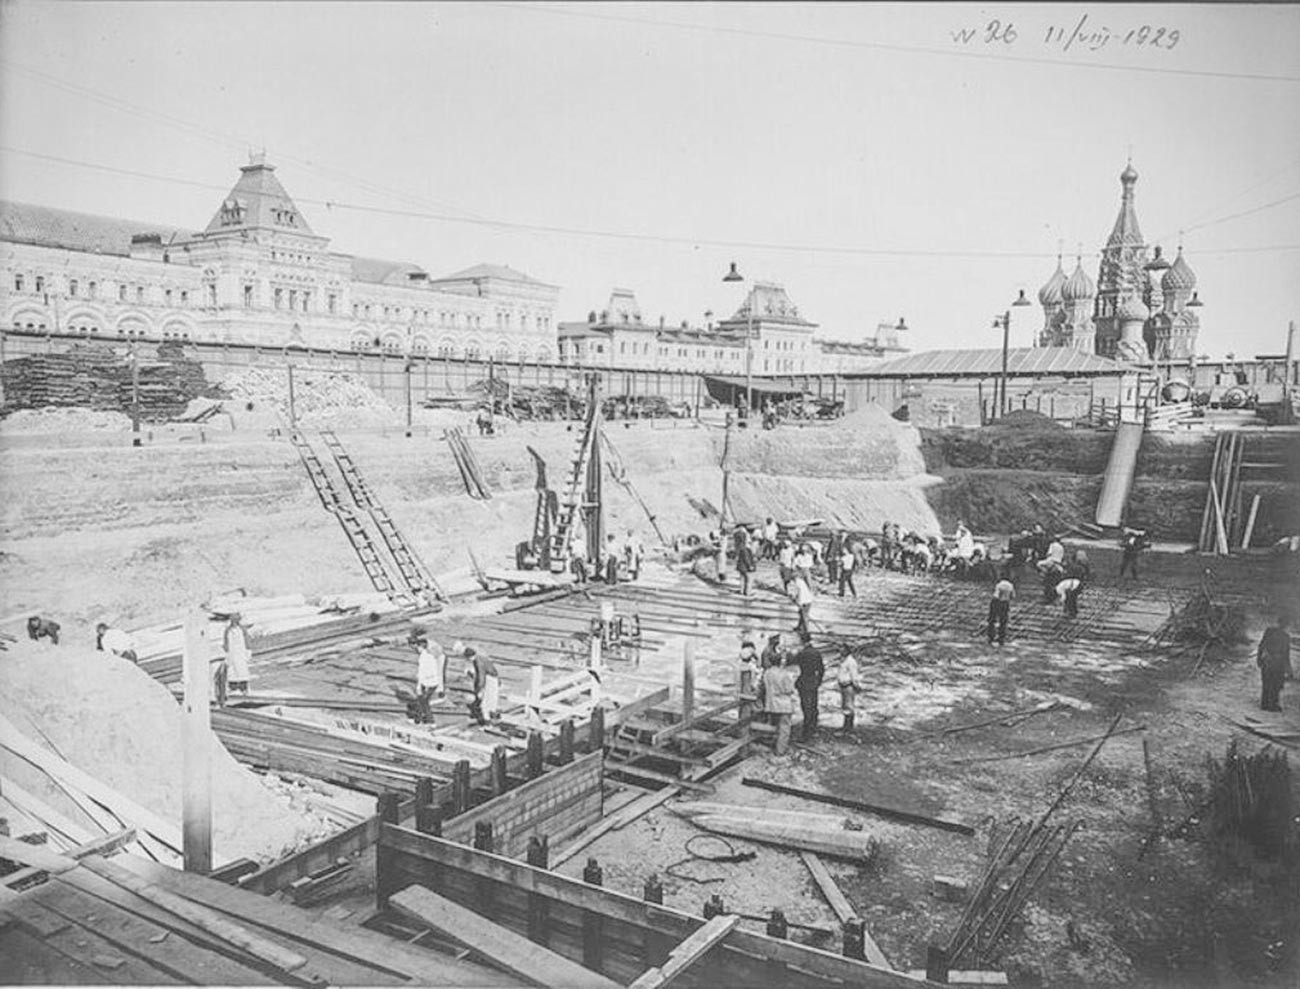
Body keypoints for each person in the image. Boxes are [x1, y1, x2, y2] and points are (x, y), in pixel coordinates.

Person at [761, 654, 797, 755]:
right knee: (784, 728)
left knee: (775, 726)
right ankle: (780, 750)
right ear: (780, 662)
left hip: (771, 704)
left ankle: (773, 745)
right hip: (783, 703)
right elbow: (789, 690)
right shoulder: (785, 674)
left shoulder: (767, 673)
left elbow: (764, 687)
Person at [792, 631, 825, 741]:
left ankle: (806, 733)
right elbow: (821, 669)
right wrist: (818, 681)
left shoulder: (802, 653)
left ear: (802, 640)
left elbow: (792, 662)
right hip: (813, 682)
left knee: (806, 707)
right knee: (814, 706)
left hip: (804, 681)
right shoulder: (816, 652)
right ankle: (813, 728)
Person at [1257, 616, 1292, 712]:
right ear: (1286, 625)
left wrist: (1259, 659)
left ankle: (1265, 704)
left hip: (1268, 662)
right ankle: (1271, 705)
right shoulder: (1285, 636)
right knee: (1275, 684)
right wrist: (1289, 670)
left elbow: (1261, 645)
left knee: (1268, 683)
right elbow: (1286, 655)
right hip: (1276, 663)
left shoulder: (1270, 631)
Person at [412, 632, 447, 724]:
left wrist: (419, 685)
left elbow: (422, 673)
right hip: (432, 682)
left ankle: (430, 721)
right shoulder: (429, 655)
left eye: (417, 647)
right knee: (422, 701)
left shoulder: (426, 655)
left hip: (429, 682)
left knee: (423, 701)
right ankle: (418, 719)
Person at [462, 644, 501, 724]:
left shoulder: (479, 662)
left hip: (489, 679)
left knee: (485, 702)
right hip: (493, 677)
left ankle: (487, 720)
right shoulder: (480, 657)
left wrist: (480, 689)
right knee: (492, 699)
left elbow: (481, 676)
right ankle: (492, 715)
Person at [223, 613, 251, 694]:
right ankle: (233, 687)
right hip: (232, 652)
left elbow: (247, 640)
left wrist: (248, 650)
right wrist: (226, 652)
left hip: (241, 652)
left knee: (242, 670)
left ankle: (243, 687)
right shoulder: (228, 630)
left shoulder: (242, 629)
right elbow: (225, 642)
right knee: (232, 671)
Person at [837, 649, 863, 732]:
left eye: (843, 649)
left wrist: (856, 685)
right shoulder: (844, 660)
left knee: (848, 706)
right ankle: (846, 726)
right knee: (845, 705)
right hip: (844, 686)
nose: (841, 651)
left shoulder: (851, 661)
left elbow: (854, 674)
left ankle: (848, 727)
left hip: (848, 686)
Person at [988, 577, 1015, 645]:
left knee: (992, 620)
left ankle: (991, 636)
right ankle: (1001, 638)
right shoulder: (1010, 585)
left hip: (996, 602)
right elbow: (1013, 596)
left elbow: (996, 595)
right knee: (1003, 621)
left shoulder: (999, 585)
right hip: (1005, 603)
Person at [736, 531, 757, 596]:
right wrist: (750, 565)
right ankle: (748, 592)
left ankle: (742, 591)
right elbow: (746, 558)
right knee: (748, 580)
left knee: (742, 579)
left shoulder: (740, 547)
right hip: (746, 567)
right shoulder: (746, 549)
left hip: (741, 566)